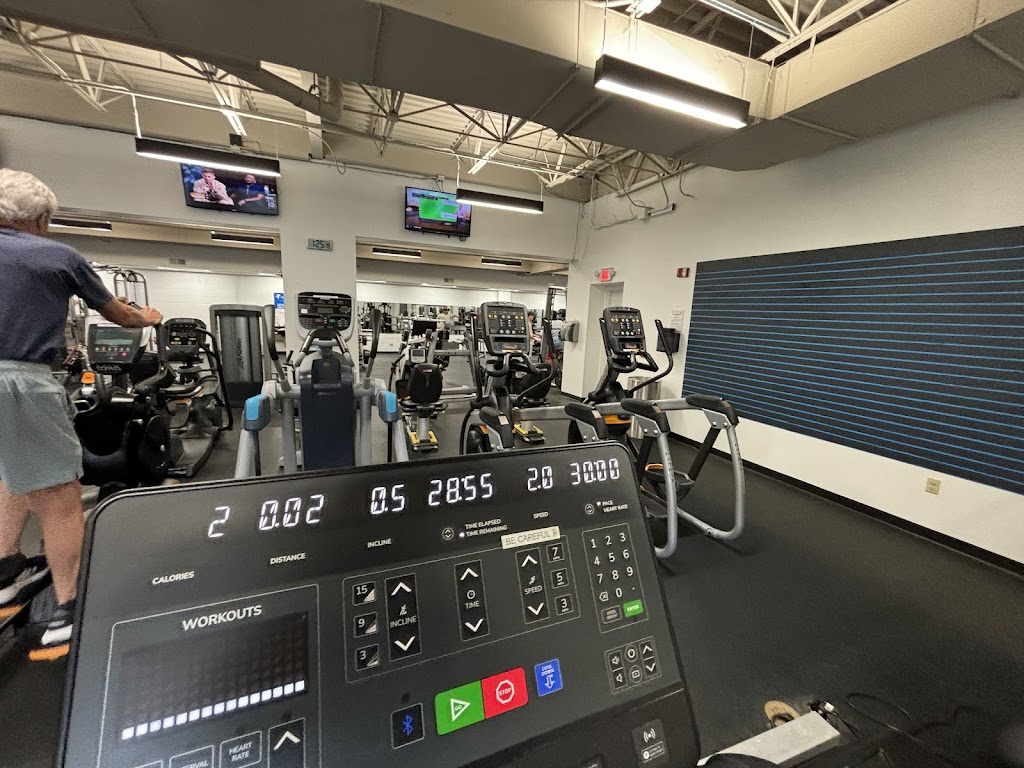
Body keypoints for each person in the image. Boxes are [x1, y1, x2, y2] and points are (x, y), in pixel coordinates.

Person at [0, 169, 163, 649]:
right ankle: (69, 604)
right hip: (20, 379)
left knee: (12, 473)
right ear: (41, 218)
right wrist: (147, 316)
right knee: (58, 496)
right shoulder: (56, 255)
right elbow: (122, 316)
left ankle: (7, 566)